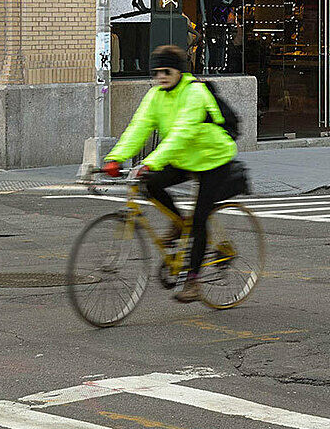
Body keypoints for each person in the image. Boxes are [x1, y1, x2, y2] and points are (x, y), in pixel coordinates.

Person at [101, 44, 241, 305]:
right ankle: (179, 223)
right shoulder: (155, 96)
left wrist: (150, 161)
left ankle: (193, 280)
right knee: (150, 184)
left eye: (167, 71)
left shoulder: (195, 93)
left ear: (179, 71)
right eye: (156, 73)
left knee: (200, 219)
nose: (161, 77)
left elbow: (181, 134)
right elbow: (138, 127)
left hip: (212, 158)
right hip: (183, 157)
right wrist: (115, 157)